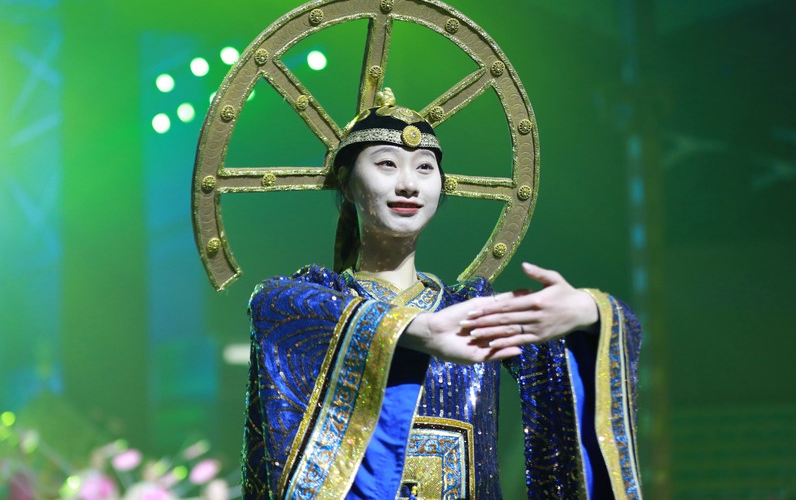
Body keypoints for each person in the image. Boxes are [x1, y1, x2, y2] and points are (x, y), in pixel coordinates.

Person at [241, 89, 643, 499]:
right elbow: (272, 307)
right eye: (386, 164)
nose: (408, 184)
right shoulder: (317, 300)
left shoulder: (469, 309)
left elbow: (565, 380)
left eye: (424, 168)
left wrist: (588, 312)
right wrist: (418, 331)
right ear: (346, 183)